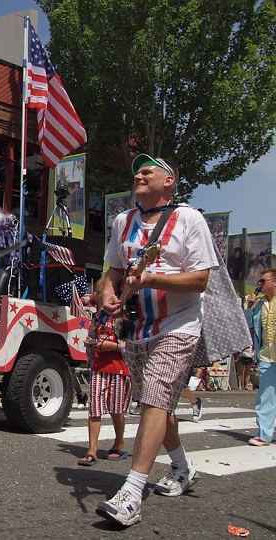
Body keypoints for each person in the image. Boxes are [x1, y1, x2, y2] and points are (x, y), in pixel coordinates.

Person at [96, 154, 219, 527]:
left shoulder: (189, 218)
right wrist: (107, 293)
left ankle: (132, 492)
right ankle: (182, 467)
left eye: (150, 169)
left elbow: (200, 280)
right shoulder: (123, 221)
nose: (139, 173)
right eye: (137, 169)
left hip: (179, 325)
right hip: (137, 328)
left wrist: (150, 280)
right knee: (159, 404)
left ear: (169, 182)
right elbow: (113, 270)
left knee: (153, 397)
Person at [78, 277, 131, 467]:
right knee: (95, 409)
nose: (98, 295)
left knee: (116, 409)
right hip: (99, 366)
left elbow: (130, 346)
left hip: (119, 368)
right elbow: (93, 334)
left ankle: (119, 442)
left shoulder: (123, 315)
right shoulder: (99, 316)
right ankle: (92, 449)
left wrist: (111, 345)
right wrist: (90, 342)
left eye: (100, 292)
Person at [245, 268, 276, 446]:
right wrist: (250, 306)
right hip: (266, 356)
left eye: (263, 281)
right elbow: (246, 324)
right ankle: (264, 434)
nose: (259, 284)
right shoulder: (260, 304)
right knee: (266, 395)